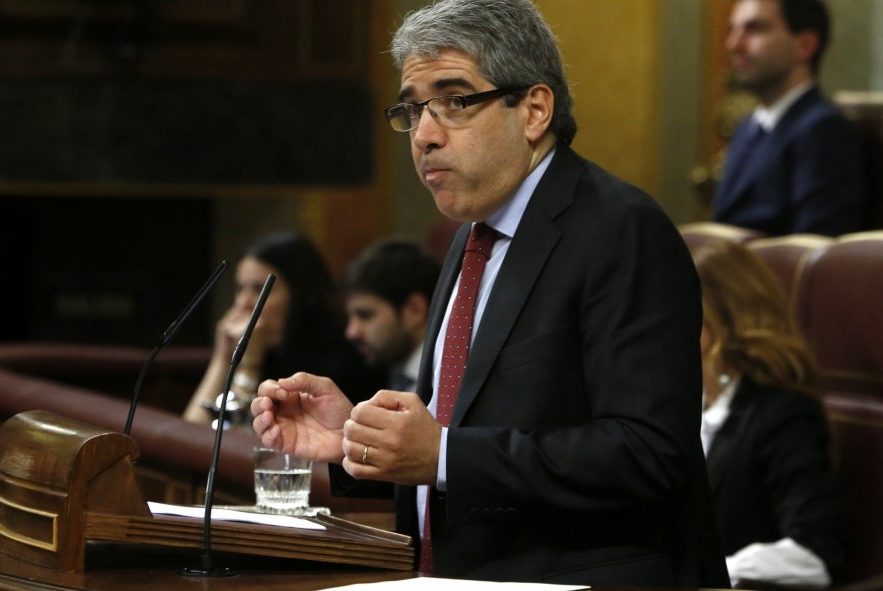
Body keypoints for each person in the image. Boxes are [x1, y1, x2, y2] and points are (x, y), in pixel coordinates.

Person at [252, 0, 728, 585]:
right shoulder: (471, 239)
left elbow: (650, 453)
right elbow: (470, 424)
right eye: (412, 109)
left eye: (454, 101)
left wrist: (444, 455)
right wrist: (362, 439)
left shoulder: (621, 229)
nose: (424, 136)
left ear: (532, 110)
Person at [695, 239, 842, 588]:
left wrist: (708, 573)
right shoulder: (681, 405)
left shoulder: (784, 414)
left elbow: (815, 552)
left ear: (723, 318)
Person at [183, 233, 382, 425]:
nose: (244, 303)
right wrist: (223, 357)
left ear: (299, 297)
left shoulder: (341, 366)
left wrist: (249, 364)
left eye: (260, 290)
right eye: (241, 288)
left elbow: (235, 442)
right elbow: (192, 434)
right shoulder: (267, 352)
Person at [711, 0, 866, 236]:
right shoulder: (747, 127)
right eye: (732, 30)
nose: (733, 44)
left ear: (805, 45)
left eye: (754, 29)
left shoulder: (823, 129)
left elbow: (814, 249)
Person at [341, 239, 440, 393]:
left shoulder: (446, 384)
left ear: (415, 310)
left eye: (365, 316)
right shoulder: (397, 374)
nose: (352, 332)